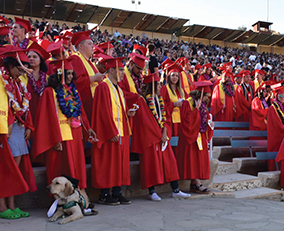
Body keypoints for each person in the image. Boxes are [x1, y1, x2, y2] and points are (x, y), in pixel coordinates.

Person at [0, 46, 37, 219]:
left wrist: (29, 126)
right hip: (2, 130)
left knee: (14, 169)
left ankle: (12, 205)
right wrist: (8, 121)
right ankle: (2, 207)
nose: (21, 72)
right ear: (10, 65)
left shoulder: (19, 83)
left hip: (17, 129)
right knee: (3, 169)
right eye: (19, 68)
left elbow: (23, 106)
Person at [32, 58, 97, 193]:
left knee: (77, 167)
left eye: (71, 74)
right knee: (61, 168)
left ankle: (79, 196)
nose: (70, 77)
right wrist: (54, 138)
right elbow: (46, 118)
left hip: (75, 134)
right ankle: (61, 199)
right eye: (67, 74)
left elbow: (81, 112)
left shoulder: (73, 91)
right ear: (59, 74)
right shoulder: (50, 92)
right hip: (60, 136)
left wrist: (88, 128)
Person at [131, 72, 190, 201]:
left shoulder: (160, 100)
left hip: (161, 137)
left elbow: (165, 119)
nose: (160, 87)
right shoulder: (143, 100)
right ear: (152, 86)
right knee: (150, 164)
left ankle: (175, 190)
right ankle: (151, 191)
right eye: (158, 85)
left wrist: (164, 132)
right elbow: (144, 121)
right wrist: (158, 134)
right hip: (150, 139)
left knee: (170, 162)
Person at [91, 57, 133, 205]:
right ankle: (104, 194)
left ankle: (116, 192)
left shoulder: (119, 89)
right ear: (112, 70)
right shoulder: (103, 87)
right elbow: (102, 112)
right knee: (108, 163)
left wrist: (128, 114)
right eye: (121, 70)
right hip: (110, 133)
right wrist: (110, 131)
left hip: (120, 131)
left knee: (119, 164)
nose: (123, 73)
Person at [176, 81, 214, 194]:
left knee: (198, 159)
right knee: (193, 159)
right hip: (190, 136)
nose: (207, 99)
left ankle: (194, 183)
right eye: (206, 96)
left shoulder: (202, 104)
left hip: (199, 135)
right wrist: (196, 110)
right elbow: (186, 121)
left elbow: (205, 118)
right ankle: (197, 183)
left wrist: (210, 124)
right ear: (200, 94)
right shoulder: (187, 103)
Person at [70, 30, 106, 123]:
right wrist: (94, 78)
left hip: (95, 103)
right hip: (84, 104)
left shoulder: (90, 63)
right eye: (89, 44)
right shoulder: (76, 59)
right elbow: (76, 81)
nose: (93, 46)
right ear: (81, 46)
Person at [26, 41, 50, 125]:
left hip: (42, 113)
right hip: (27, 113)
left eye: (34, 57)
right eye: (29, 57)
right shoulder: (23, 76)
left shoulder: (47, 79)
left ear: (40, 60)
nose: (31, 59)